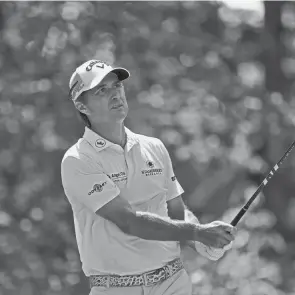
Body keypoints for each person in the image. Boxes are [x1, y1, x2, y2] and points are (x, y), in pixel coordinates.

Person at [61, 59, 237, 295]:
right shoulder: (78, 160)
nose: (115, 94)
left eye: (117, 86)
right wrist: (197, 232)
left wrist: (202, 240)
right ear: (82, 107)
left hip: (173, 283)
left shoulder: (154, 147)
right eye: (102, 90)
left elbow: (176, 210)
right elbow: (129, 221)